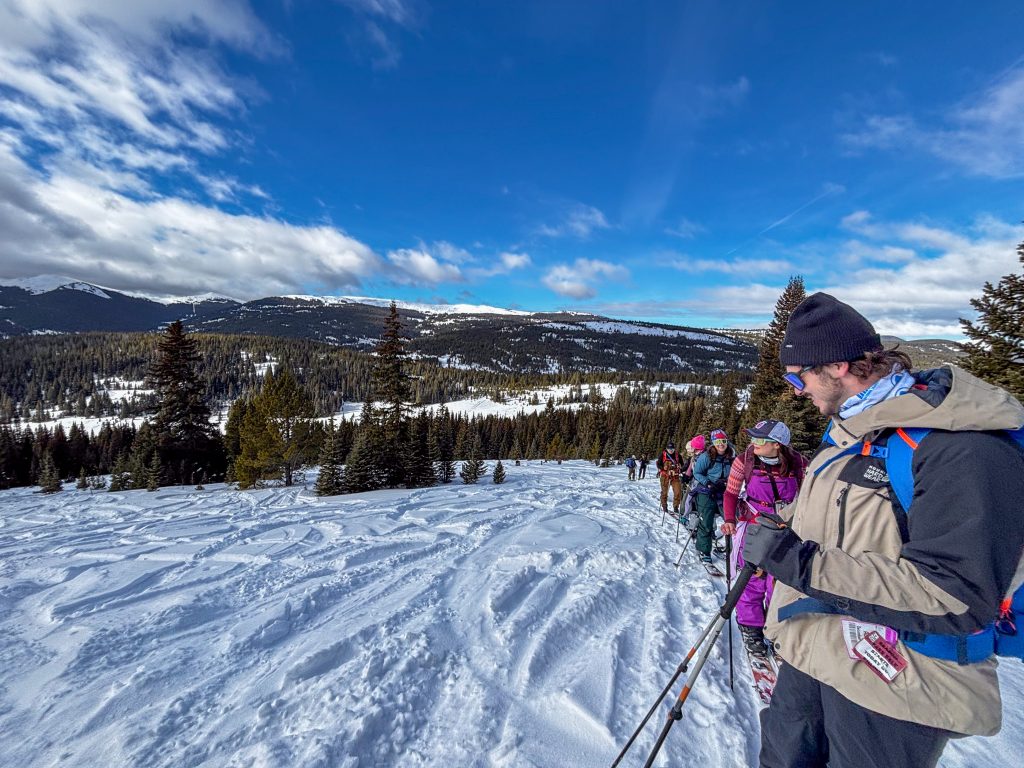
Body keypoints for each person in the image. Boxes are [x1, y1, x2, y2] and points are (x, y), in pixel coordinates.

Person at [742, 292, 1024, 768]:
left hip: (898, 683)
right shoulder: (848, 434)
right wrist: (785, 526)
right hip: (814, 652)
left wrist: (798, 560)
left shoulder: (961, 449)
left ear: (837, 367)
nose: (794, 389)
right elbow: (849, 521)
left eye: (798, 376)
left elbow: (955, 592)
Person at [721, 419, 807, 657]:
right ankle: (751, 627)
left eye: (760, 439)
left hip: (786, 526)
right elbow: (730, 492)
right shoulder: (745, 461)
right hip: (755, 524)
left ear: (777, 444)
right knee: (752, 578)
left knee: (780, 582)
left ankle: (778, 627)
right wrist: (729, 519)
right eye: (753, 438)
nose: (753, 443)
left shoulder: (799, 464)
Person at [691, 428, 735, 566]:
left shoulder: (731, 455)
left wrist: (729, 482)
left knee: (732, 521)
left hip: (724, 492)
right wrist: (708, 483)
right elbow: (697, 473)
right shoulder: (707, 456)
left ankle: (732, 551)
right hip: (707, 491)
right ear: (713, 443)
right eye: (717, 441)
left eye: (723, 441)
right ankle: (704, 550)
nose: (721, 444)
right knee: (706, 521)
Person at [655, 441, 684, 515]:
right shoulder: (663, 455)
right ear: (666, 448)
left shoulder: (678, 455)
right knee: (664, 492)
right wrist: (663, 468)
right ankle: (664, 506)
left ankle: (676, 507)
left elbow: (682, 465)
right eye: (669, 448)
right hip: (665, 476)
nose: (671, 450)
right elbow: (658, 464)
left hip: (675, 476)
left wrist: (679, 468)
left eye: (672, 448)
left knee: (678, 492)